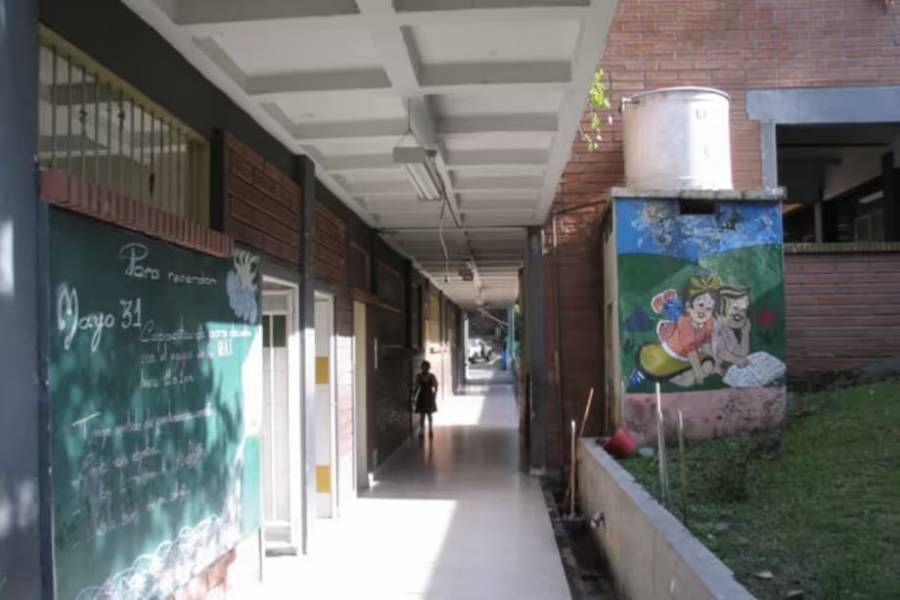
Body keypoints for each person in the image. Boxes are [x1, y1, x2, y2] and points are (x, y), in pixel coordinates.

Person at [414, 361, 438, 439]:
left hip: (429, 396)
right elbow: (416, 387)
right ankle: (421, 431)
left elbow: (436, 385)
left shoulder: (432, 376)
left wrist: (435, 395)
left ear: (428, 367)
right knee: (422, 415)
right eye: (424, 366)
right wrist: (413, 396)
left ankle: (430, 429)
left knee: (429, 414)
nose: (425, 368)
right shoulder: (418, 376)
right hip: (422, 396)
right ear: (422, 367)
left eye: (426, 366)